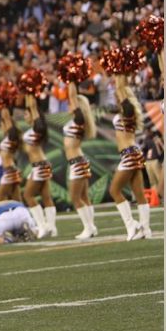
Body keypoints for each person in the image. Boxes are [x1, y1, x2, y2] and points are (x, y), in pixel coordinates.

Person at [109, 75, 152, 241]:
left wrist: (119, 72)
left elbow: (121, 90)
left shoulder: (128, 111)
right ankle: (145, 229)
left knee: (114, 190)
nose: (115, 95)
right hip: (134, 152)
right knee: (139, 193)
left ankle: (131, 225)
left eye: (118, 94)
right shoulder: (127, 112)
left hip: (129, 154)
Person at [63, 82, 99, 239]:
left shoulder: (79, 119)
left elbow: (72, 95)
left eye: (71, 103)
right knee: (84, 197)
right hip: (79, 160)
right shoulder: (78, 120)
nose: (69, 105)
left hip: (77, 162)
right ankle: (92, 227)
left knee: (75, 197)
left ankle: (88, 227)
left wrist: (70, 79)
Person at [20, 94, 56, 237]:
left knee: (28, 195)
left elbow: (33, 107)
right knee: (46, 196)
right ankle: (52, 227)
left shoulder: (36, 128)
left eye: (26, 113)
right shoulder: (33, 129)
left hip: (40, 166)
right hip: (42, 164)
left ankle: (42, 226)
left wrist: (29, 93)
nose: (24, 116)